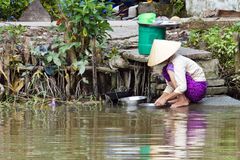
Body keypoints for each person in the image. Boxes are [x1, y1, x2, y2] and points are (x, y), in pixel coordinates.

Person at [148, 40, 207, 108]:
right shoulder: (170, 64)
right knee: (165, 70)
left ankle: (182, 99)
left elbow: (182, 87)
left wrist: (165, 99)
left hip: (197, 90)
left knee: (169, 69)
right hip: (191, 91)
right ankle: (182, 98)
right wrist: (161, 98)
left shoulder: (178, 62)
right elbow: (170, 86)